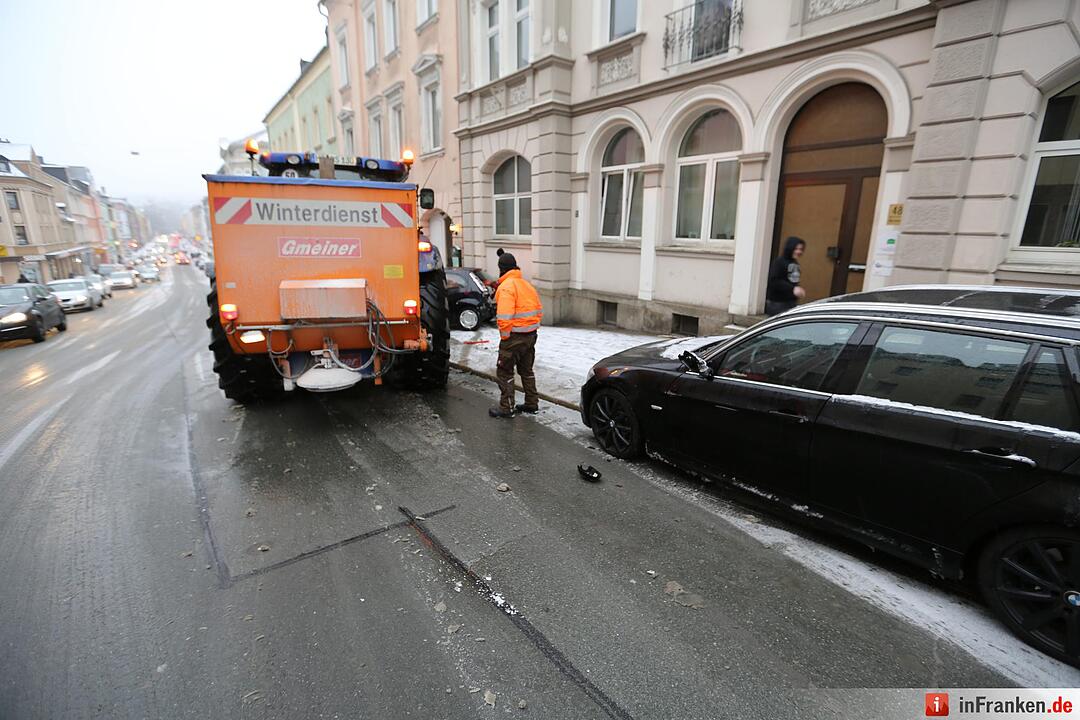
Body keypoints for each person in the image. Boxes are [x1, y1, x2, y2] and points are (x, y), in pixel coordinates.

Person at [489, 252, 543, 418]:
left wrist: (505, 337)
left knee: (504, 371)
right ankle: (532, 403)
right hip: (530, 336)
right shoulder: (526, 285)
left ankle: (507, 407)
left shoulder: (507, 287)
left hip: (514, 337)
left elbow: (504, 316)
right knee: (527, 370)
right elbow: (538, 311)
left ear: (501, 269)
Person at [766, 236, 806, 316]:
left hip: (790, 303)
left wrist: (797, 290)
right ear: (790, 248)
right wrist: (793, 289)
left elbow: (792, 280)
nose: (799, 252)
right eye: (796, 249)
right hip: (778, 304)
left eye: (801, 249)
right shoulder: (779, 262)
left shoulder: (795, 263)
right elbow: (773, 281)